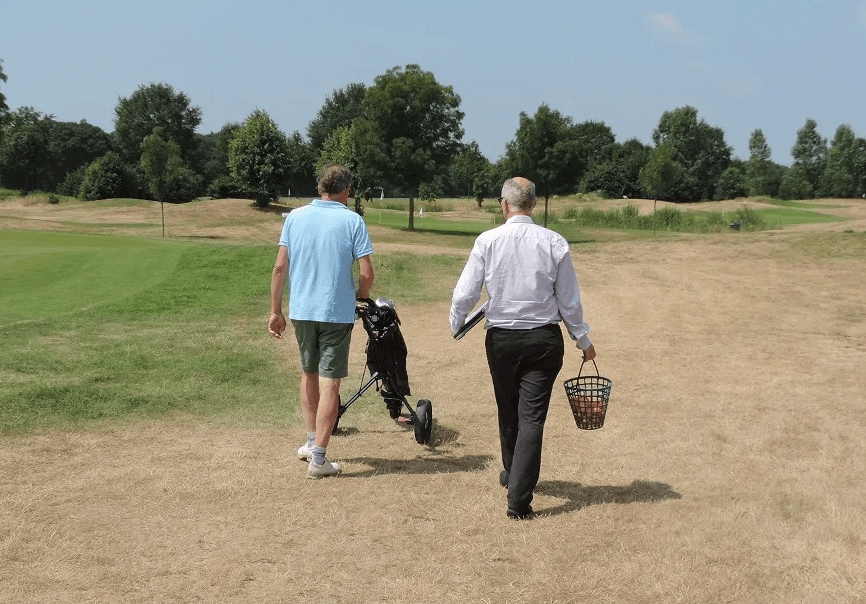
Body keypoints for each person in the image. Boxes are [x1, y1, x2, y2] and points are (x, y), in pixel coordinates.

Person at [450, 177, 596, 519]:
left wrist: (456, 322)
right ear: (532, 204)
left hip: (501, 340)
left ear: (504, 205)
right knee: (531, 417)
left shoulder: (487, 241)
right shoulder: (554, 242)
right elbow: (569, 300)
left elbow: (466, 292)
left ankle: (513, 478)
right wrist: (583, 340)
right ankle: (517, 491)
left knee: (508, 406)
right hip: (543, 341)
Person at [269, 163, 375, 479]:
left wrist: (275, 312)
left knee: (308, 374)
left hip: (301, 310)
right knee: (331, 382)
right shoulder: (353, 221)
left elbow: (279, 268)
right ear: (347, 190)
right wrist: (357, 294)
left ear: (319, 188)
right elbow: (367, 275)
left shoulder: (295, 218)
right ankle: (319, 459)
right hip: (336, 313)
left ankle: (311, 441)